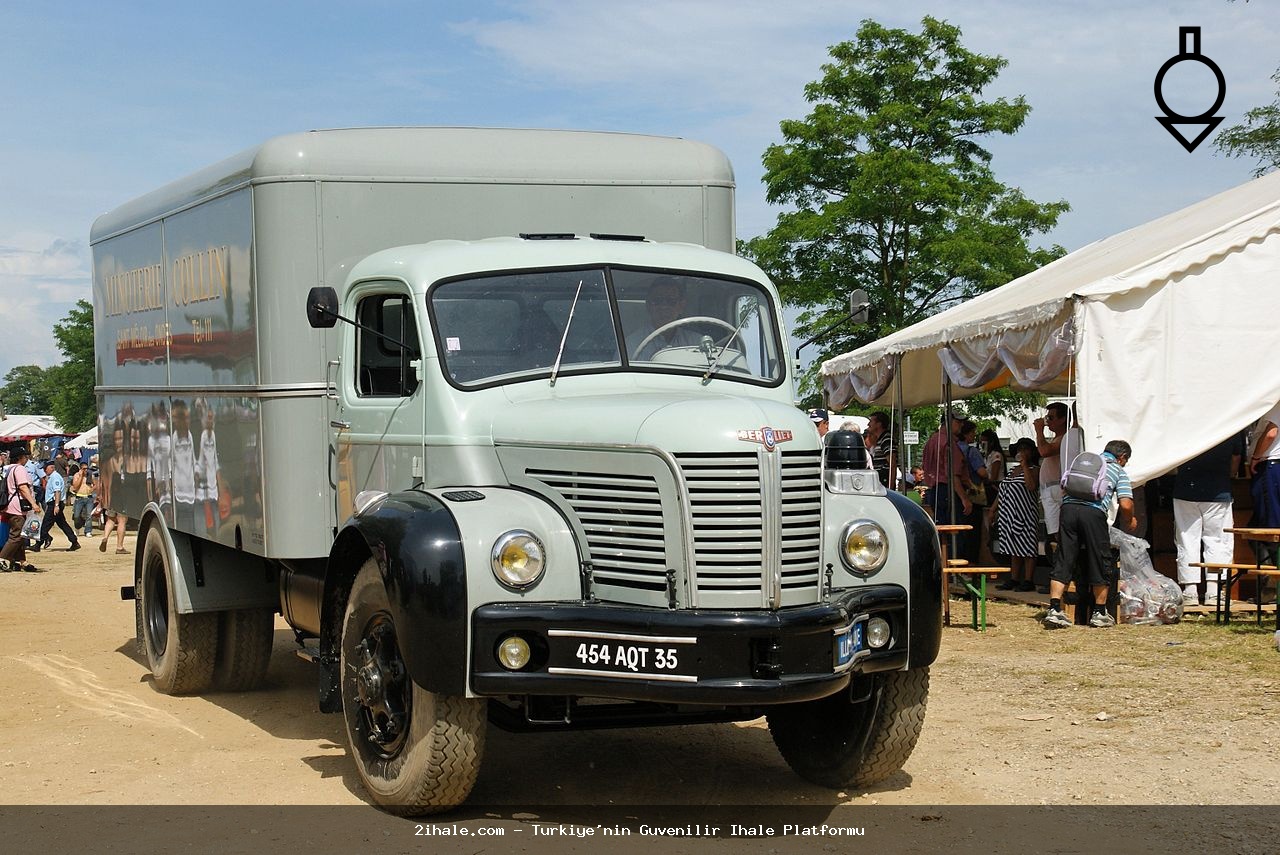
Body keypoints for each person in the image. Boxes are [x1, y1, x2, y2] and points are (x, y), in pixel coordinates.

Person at [1043, 440, 1137, 629]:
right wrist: (1130, 520)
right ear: (1122, 458)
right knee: (1100, 560)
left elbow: (1064, 488)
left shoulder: (1085, 464)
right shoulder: (1118, 470)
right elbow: (1126, 504)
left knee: (1064, 557)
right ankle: (1099, 613)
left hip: (1068, 510)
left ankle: (1054, 610)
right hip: (1093, 514)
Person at [1173, 433, 1245, 607]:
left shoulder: (1185, 423)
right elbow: (1236, 458)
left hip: (1185, 488)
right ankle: (1213, 591)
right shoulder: (1232, 422)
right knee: (1218, 540)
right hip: (1218, 489)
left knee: (1187, 539)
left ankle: (1190, 591)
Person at [991, 439, 1041, 592]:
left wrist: (1025, 465)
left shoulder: (1035, 469)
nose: (1022, 452)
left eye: (1025, 449)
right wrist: (993, 509)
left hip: (1025, 513)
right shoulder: (1013, 470)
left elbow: (1031, 486)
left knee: (1027, 547)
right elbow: (1002, 491)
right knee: (1014, 547)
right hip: (1009, 514)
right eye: (1020, 449)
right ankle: (1014, 578)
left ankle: (1028, 579)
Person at [631, 277, 704, 359]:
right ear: (648, 305)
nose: (664, 307)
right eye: (657, 301)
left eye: (671, 301)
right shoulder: (632, 344)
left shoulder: (697, 342)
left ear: (681, 307)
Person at [921, 413, 973, 528]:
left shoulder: (932, 440)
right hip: (948, 493)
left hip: (935, 491)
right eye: (958, 422)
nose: (962, 425)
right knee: (955, 533)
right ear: (948, 422)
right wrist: (964, 499)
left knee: (942, 530)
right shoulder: (949, 443)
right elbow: (953, 475)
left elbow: (925, 466)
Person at [1248, 402, 1280, 565]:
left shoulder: (1275, 404)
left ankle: (1272, 578)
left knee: (1269, 527)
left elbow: (1271, 433)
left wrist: (1255, 457)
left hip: (1270, 465)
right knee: (1257, 527)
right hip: (1272, 466)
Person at [1, 447, 41, 572]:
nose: (26, 458)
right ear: (20, 458)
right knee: (17, 535)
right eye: (25, 456)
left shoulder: (8, 469)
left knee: (21, 535)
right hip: (18, 507)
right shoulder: (19, 469)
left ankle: (21, 561)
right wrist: (33, 503)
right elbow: (23, 488)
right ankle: (2, 558)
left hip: (9, 506)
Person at [38, 460, 81, 552]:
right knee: (62, 523)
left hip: (54, 503)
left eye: (46, 469)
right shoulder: (52, 477)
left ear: (51, 468)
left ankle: (41, 542)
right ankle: (74, 541)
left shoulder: (55, 477)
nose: (45, 471)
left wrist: (56, 505)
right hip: (55, 503)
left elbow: (57, 492)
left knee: (46, 523)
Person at [865, 411, 895, 488]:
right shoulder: (881, 439)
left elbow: (892, 463)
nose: (868, 424)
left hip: (885, 481)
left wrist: (890, 486)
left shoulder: (886, 439)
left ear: (879, 424)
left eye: (871, 421)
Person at [71, 461, 96, 538]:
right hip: (79, 497)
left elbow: (96, 484)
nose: (85, 470)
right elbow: (75, 486)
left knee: (89, 515)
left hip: (88, 497)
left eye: (86, 468)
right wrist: (81, 477)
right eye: (84, 469)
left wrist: (92, 489)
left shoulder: (90, 475)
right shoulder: (76, 475)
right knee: (76, 515)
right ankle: (77, 528)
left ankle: (88, 531)